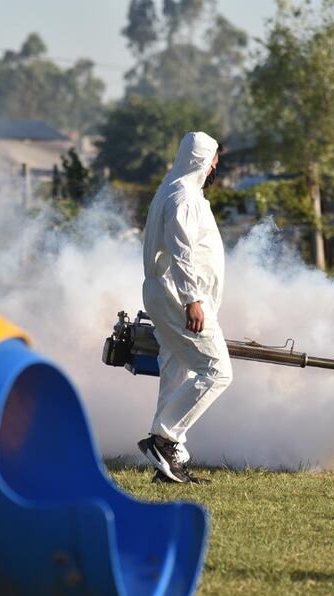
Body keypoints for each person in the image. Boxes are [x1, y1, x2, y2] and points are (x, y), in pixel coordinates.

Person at [137, 131, 231, 484]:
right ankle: (164, 439)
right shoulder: (183, 197)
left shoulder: (174, 189)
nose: (215, 166)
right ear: (201, 161)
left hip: (167, 293)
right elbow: (182, 252)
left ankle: (167, 465)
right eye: (213, 160)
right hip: (178, 296)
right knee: (217, 371)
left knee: (176, 372)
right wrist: (192, 299)